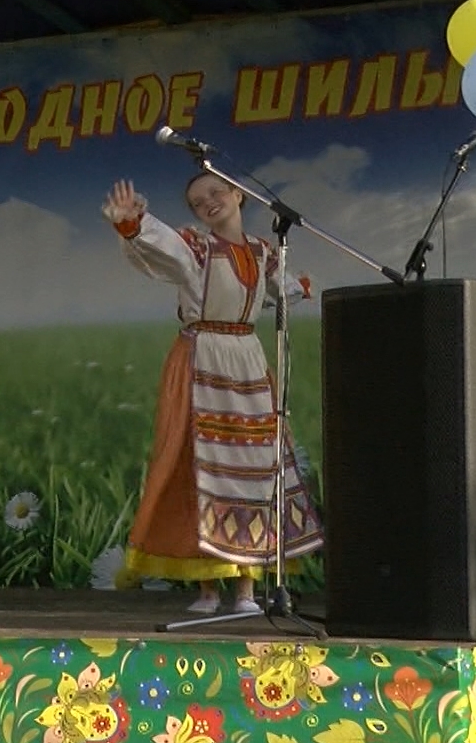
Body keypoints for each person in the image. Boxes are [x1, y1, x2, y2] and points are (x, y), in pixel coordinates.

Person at [100, 174, 323, 614]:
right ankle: (206, 589)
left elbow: (284, 289)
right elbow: (163, 250)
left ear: (239, 194)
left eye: (216, 193)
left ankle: (245, 589)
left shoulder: (263, 252)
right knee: (199, 462)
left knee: (253, 466)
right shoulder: (197, 248)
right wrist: (133, 224)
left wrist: (300, 287)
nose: (209, 203)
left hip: (247, 357)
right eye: (198, 201)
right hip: (202, 356)